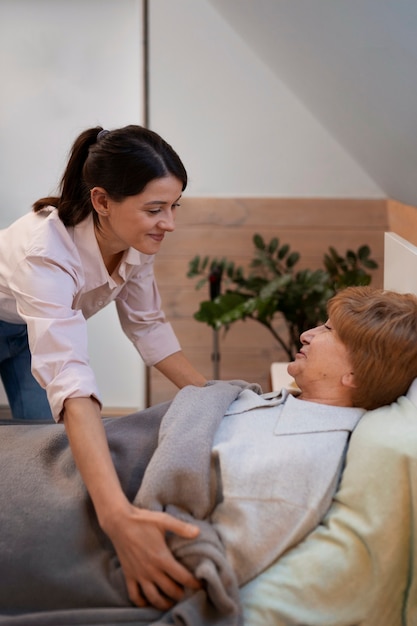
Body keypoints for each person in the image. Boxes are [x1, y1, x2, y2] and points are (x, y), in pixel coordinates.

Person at [1, 286, 417, 624]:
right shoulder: (289, 406)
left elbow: (212, 552)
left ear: (354, 373)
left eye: (328, 330)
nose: (308, 333)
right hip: (99, 452)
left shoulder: (307, 452)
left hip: (84, 503)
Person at [0, 125, 206, 609]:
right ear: (102, 200)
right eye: (155, 209)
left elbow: (149, 330)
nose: (168, 223)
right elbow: (71, 378)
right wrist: (116, 515)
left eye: (174, 206)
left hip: (27, 339)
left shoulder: (135, 243)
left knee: (40, 452)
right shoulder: (44, 250)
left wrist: (217, 395)